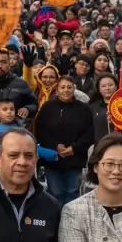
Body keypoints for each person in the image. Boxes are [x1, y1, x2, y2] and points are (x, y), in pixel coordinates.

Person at [33, 76, 93, 206]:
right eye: (63, 87)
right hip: (53, 158)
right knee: (55, 192)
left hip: (74, 158)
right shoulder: (48, 107)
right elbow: (40, 131)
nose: (66, 90)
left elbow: (89, 134)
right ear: (57, 89)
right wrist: (55, 146)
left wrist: (74, 148)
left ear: (74, 89)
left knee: (73, 192)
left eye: (69, 87)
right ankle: (54, 220)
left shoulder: (83, 109)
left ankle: (70, 222)